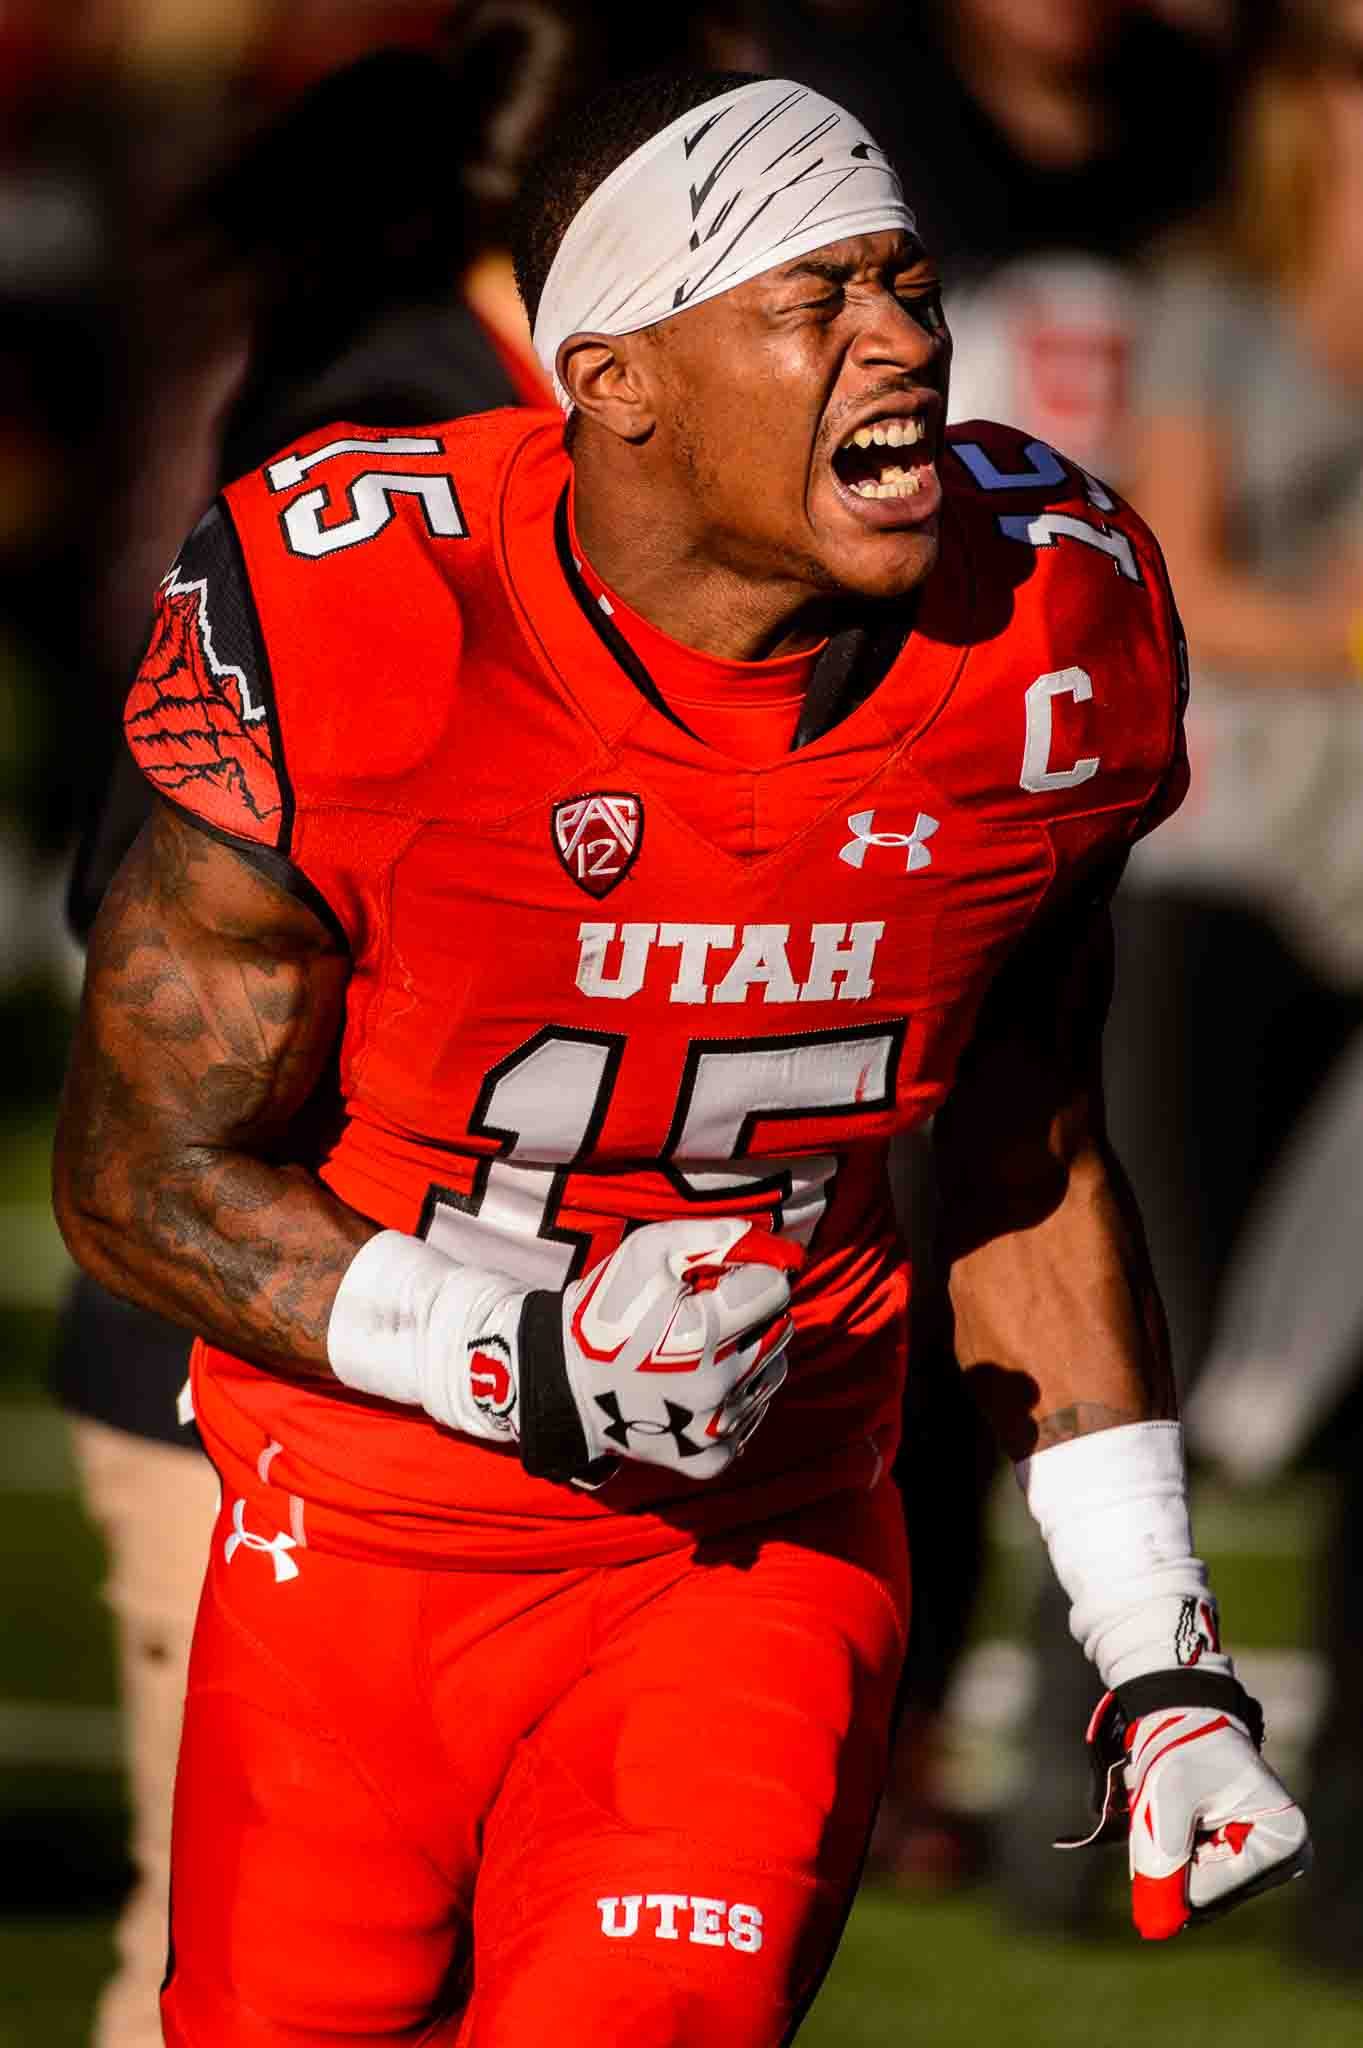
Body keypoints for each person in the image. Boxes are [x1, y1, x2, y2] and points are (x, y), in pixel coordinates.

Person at [54, 68, 1307, 2046]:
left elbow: (1027, 1156)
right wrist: (510, 1347)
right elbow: (137, 1171)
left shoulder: (1047, 625)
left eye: (905, 281)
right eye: (816, 298)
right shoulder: (368, 611)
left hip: (757, 1550)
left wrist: (1155, 1654)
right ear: (619, 379)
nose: (903, 334)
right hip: (360, 1543)